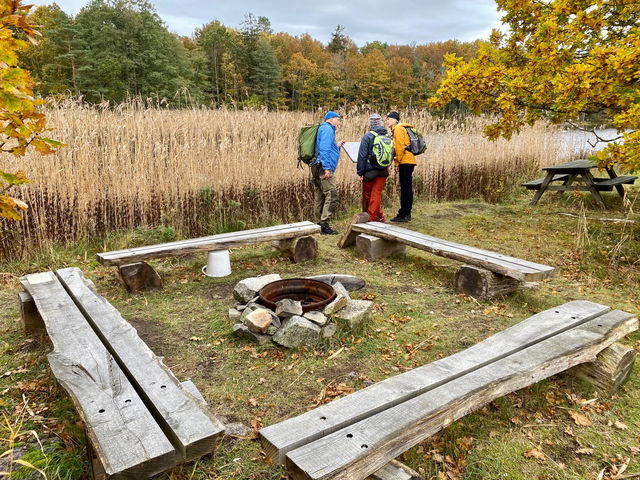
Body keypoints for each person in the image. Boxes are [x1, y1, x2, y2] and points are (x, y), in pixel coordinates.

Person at [312, 111, 344, 235]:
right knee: (332, 195)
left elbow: (325, 147)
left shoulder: (324, 128)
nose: (339, 122)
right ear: (330, 119)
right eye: (338, 119)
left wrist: (337, 146)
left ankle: (317, 223)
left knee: (320, 195)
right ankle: (324, 224)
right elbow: (324, 149)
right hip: (322, 166)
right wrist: (327, 168)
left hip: (316, 165)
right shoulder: (327, 129)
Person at [357, 113, 390, 222]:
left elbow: (362, 156)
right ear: (380, 123)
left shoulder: (367, 136)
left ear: (370, 124)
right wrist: (387, 166)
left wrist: (360, 173)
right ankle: (379, 216)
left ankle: (371, 218)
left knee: (368, 195)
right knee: (376, 194)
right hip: (383, 170)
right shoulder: (387, 135)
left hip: (369, 171)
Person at [386, 111, 416, 222]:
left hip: (405, 161)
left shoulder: (398, 129)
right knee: (407, 188)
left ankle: (404, 214)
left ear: (395, 119)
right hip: (409, 160)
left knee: (405, 189)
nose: (387, 120)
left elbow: (399, 148)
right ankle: (405, 213)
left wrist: (396, 163)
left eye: (389, 118)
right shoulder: (400, 128)